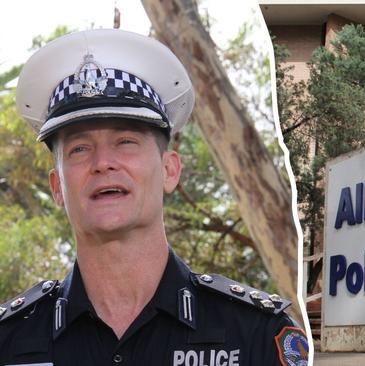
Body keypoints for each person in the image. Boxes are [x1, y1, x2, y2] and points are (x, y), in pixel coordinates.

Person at [0, 28, 308, 365]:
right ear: (57, 186)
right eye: (79, 148)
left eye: (126, 141)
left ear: (169, 170)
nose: (102, 163)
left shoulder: (255, 334)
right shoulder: (10, 340)